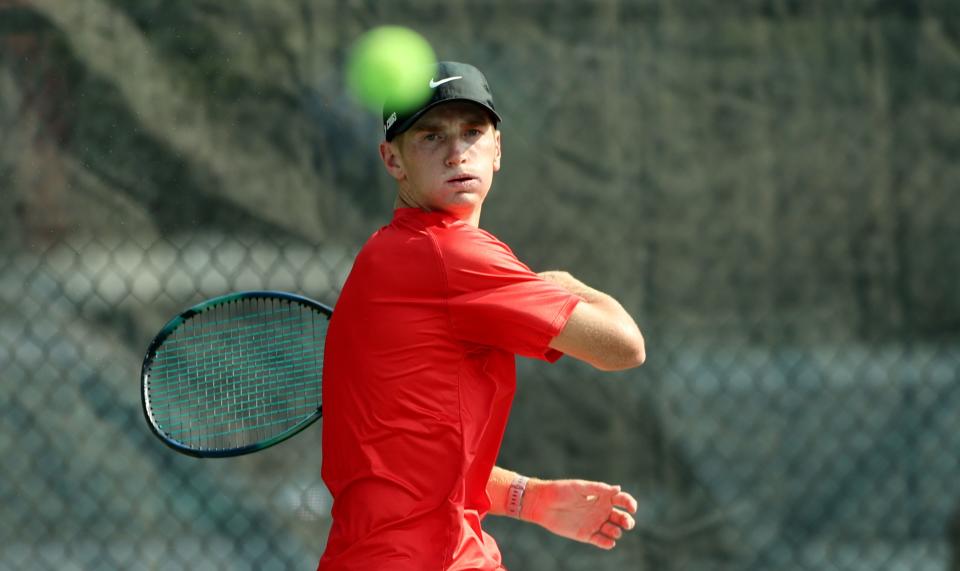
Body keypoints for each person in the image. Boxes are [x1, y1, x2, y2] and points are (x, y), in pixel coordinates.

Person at [318, 61, 645, 571]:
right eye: (430, 136)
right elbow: (624, 346)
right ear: (393, 160)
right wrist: (563, 282)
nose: (456, 152)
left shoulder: (387, 256)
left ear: (497, 149)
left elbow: (406, 460)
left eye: (472, 132)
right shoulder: (448, 254)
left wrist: (529, 498)